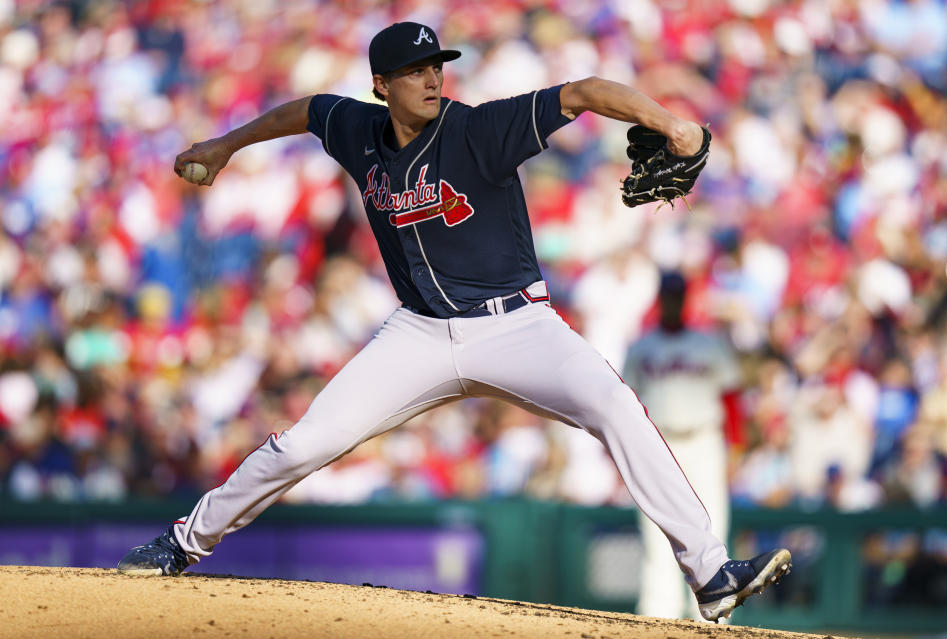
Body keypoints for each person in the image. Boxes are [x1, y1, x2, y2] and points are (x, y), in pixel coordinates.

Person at [117, 22, 790, 622]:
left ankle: (709, 572)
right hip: (419, 332)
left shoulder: (477, 130)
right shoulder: (357, 129)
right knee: (301, 445)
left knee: (616, 405)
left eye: (437, 65)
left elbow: (582, 91)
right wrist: (227, 145)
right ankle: (182, 542)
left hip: (518, 326)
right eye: (415, 70)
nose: (432, 77)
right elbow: (306, 111)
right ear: (382, 85)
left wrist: (673, 124)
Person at [622, 272, 745, 620]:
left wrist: (736, 448)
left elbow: (732, 398)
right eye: (669, 296)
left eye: (678, 296)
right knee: (657, 531)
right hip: (660, 444)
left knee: (713, 525)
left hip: (704, 440)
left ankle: (714, 612)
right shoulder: (641, 346)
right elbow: (625, 402)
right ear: (662, 299)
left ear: (684, 299)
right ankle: (658, 614)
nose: (673, 302)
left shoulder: (708, 343)